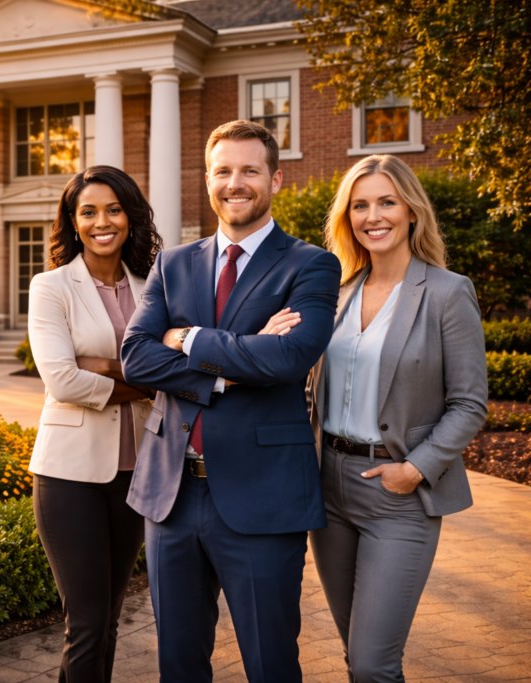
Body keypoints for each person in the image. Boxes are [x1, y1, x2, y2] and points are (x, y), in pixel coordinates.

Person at [120, 119, 341, 682]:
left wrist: (188, 338)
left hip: (262, 498)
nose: (234, 183)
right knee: (178, 662)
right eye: (223, 170)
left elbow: (288, 359)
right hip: (170, 494)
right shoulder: (172, 264)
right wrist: (225, 374)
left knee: (269, 663)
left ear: (276, 179)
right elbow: (136, 358)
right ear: (208, 178)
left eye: (249, 170)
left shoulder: (310, 264)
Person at [308, 155, 488, 682]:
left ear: (411, 210)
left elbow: (470, 402)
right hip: (328, 487)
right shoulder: (336, 293)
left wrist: (414, 469)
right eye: (360, 205)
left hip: (398, 494)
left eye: (386, 201)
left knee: (372, 664)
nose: (373, 215)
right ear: (347, 217)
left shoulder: (447, 292)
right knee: (356, 653)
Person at [27, 165, 163, 683]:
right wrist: (147, 380)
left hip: (138, 473)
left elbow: (175, 373)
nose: (102, 221)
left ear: (129, 216)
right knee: (85, 623)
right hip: (69, 477)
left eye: (113, 209)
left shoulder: (154, 287)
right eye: (88, 211)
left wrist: (102, 366)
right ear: (73, 221)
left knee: (108, 620)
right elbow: (62, 381)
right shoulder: (51, 287)